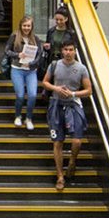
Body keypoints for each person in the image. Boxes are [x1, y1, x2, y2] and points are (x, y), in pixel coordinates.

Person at [44, 41, 93, 192]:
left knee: (77, 141)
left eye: (71, 50)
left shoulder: (81, 68)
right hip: (56, 104)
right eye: (65, 50)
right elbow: (45, 82)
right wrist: (56, 88)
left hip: (73, 105)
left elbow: (89, 90)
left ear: (75, 51)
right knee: (58, 142)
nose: (68, 52)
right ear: (62, 51)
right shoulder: (54, 65)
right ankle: (60, 176)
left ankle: (72, 161)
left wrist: (73, 93)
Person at [6, 14, 45, 131]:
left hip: (31, 70)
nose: (26, 28)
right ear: (20, 26)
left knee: (32, 95)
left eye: (28, 26)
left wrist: (32, 63)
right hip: (17, 69)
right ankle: (18, 116)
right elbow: (7, 51)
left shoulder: (35, 38)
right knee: (20, 95)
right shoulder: (14, 36)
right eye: (24, 26)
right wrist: (17, 55)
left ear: (32, 26)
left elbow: (40, 54)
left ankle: (28, 118)